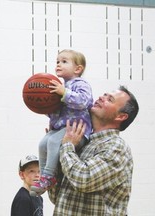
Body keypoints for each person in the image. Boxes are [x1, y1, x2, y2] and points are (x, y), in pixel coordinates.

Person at [48, 85, 139, 215]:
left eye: (110, 99)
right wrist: (54, 150)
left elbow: (83, 179)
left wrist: (66, 146)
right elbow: (57, 197)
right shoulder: (80, 142)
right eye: (104, 94)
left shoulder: (117, 147)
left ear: (121, 116)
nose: (102, 97)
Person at [31, 49, 93, 195]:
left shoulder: (81, 83)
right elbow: (57, 110)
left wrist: (64, 93)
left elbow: (84, 101)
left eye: (64, 61)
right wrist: (44, 106)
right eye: (57, 61)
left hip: (77, 130)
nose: (58, 64)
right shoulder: (59, 86)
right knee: (42, 143)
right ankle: (43, 177)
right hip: (60, 128)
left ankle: (49, 176)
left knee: (52, 141)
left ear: (78, 69)